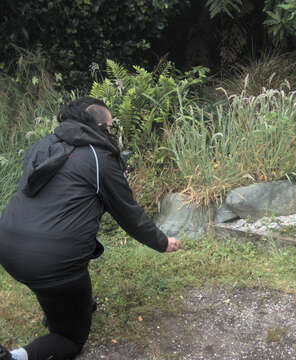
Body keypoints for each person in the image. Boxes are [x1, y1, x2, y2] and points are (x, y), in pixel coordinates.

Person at [0, 97, 181, 360]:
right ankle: (14, 357)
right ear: (99, 126)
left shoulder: (43, 145)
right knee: (69, 338)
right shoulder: (100, 158)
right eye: (109, 128)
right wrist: (162, 242)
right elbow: (129, 214)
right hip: (53, 262)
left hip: (9, 245)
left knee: (57, 291)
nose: (112, 133)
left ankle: (66, 308)